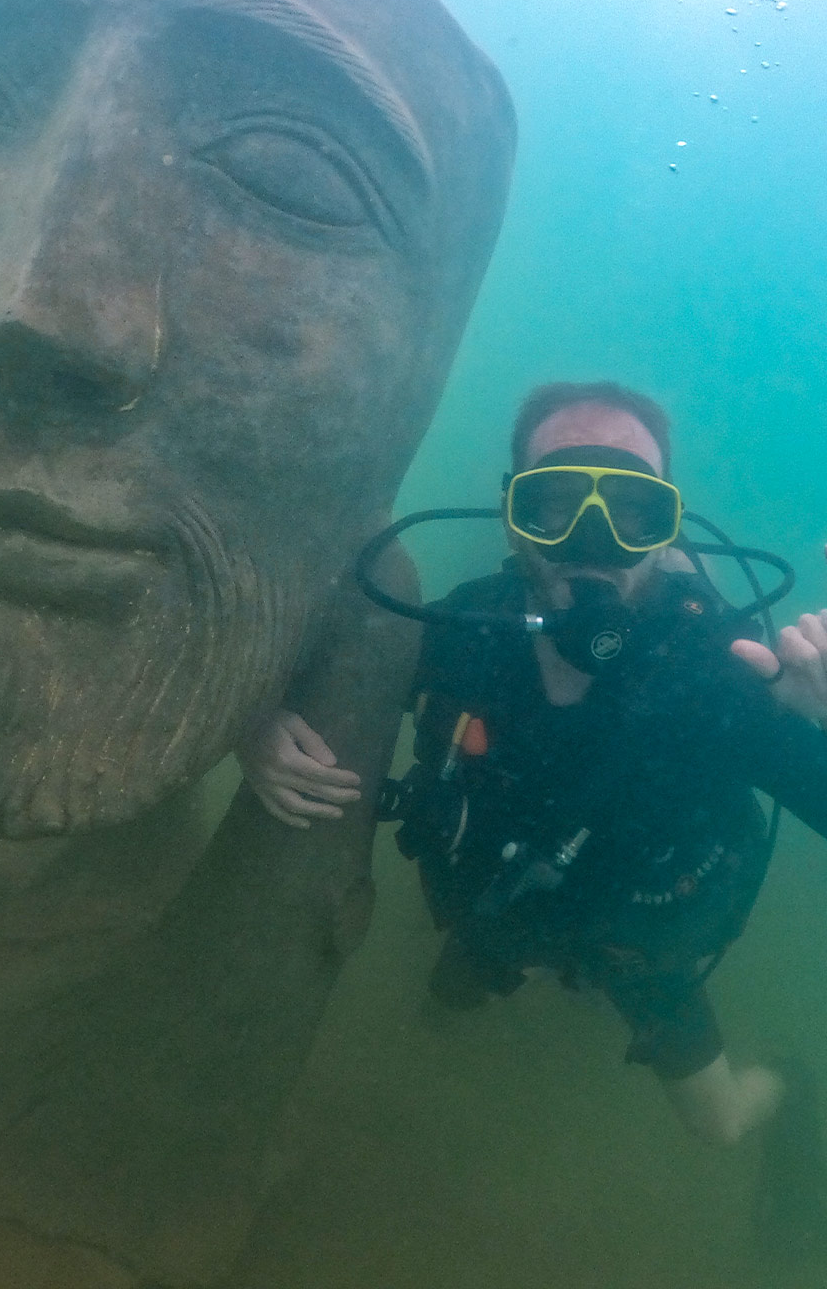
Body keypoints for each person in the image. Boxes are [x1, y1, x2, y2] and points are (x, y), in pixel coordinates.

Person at [238, 381, 827, 1147]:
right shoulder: (463, 628)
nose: (592, 539)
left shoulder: (724, 667)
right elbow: (315, 688)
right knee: (442, 1007)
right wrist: (251, 726)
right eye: (555, 503)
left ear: (664, 522)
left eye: (631, 508)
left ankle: (787, 1084)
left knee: (719, 1125)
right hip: (494, 916)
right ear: (514, 512)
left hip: (641, 944)